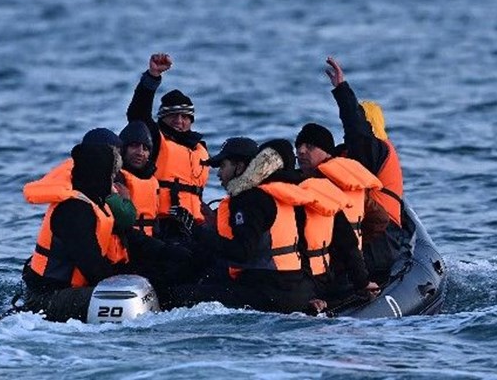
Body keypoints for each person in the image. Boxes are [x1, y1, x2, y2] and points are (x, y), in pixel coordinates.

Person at [161, 137, 318, 315]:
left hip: (267, 292)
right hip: (293, 287)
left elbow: (242, 252)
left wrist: (194, 230)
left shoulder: (249, 199)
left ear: (240, 167)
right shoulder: (280, 194)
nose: (219, 174)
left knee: (176, 295)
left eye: (223, 166)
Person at [15, 141, 131, 322]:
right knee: (123, 299)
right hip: (47, 298)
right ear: (100, 174)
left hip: (65, 290)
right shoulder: (75, 209)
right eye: (111, 174)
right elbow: (91, 266)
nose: (113, 182)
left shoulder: (94, 202)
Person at [321, 56, 408, 281]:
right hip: (373, 237)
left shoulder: (374, 150)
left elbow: (356, 131)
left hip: (379, 241)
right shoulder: (364, 155)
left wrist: (342, 90)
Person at [266, 138, 378, 309]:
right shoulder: (322, 191)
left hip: (293, 287)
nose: (302, 151)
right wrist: (362, 282)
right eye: (298, 147)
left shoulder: (267, 198)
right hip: (328, 279)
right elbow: (351, 242)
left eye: (309, 145)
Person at [126, 53, 210, 223]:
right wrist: (152, 77)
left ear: (191, 120)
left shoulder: (200, 149)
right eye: (172, 115)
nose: (179, 121)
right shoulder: (155, 139)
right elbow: (138, 113)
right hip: (162, 222)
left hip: (194, 223)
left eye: (184, 116)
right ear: (162, 118)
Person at [117, 121, 161, 237]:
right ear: (123, 149)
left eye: (145, 148)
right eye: (134, 146)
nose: (140, 153)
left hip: (150, 240)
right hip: (126, 241)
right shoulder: (116, 177)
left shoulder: (153, 182)